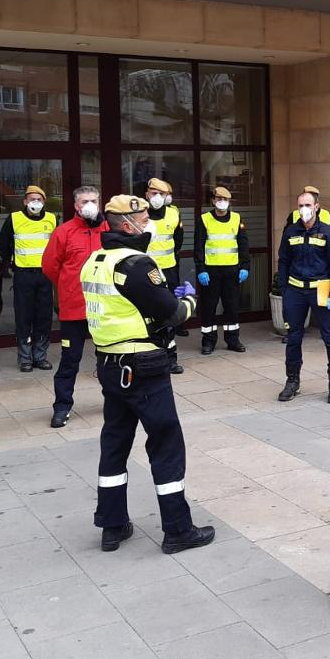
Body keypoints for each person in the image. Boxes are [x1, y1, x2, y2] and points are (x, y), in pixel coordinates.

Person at [82, 194, 215, 555]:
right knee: (165, 443)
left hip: (110, 365)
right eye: (143, 217)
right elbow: (171, 313)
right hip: (143, 366)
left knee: (114, 444)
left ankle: (112, 525)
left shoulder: (95, 261)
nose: (148, 222)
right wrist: (187, 301)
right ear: (127, 225)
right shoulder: (136, 265)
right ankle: (177, 529)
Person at [42, 186, 108, 429]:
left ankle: (114, 402)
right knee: (70, 360)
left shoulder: (108, 229)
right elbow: (49, 266)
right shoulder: (64, 232)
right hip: (74, 310)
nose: (89, 204)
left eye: (94, 200)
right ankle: (62, 407)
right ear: (76, 206)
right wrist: (68, 287)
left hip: (103, 308)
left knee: (109, 359)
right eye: (85, 201)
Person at [276, 191, 330, 403]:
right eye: (300, 205)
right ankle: (292, 381)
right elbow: (283, 261)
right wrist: (284, 291)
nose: (304, 209)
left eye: (307, 204)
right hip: (295, 291)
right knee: (293, 338)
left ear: (317, 207)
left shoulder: (328, 233)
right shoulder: (290, 231)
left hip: (320, 290)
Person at [0, 185, 57, 372]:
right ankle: (25, 358)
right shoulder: (14, 218)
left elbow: (57, 245)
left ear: (44, 202)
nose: (35, 203)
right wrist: (11, 264)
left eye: (39, 199)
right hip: (23, 274)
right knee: (24, 317)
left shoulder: (52, 219)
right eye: (31, 199)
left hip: (45, 275)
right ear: (24, 201)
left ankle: (40, 356)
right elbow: (3, 244)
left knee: (44, 316)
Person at [194, 186, 249, 355]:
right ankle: (208, 341)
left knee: (232, 306)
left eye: (225, 200)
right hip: (210, 272)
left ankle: (232, 339)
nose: (222, 203)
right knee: (209, 307)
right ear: (213, 201)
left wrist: (245, 266)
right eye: (219, 199)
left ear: (229, 202)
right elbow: (199, 246)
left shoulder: (236, 218)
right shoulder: (204, 219)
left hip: (232, 271)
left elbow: (243, 244)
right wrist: (201, 269)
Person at [143, 178, 189, 371]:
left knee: (168, 313)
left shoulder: (174, 213)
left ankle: (171, 359)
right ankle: (148, 357)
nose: (157, 197)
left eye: (161, 194)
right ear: (146, 194)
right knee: (147, 315)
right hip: (145, 272)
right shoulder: (139, 214)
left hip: (168, 270)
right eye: (153, 193)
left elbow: (178, 241)